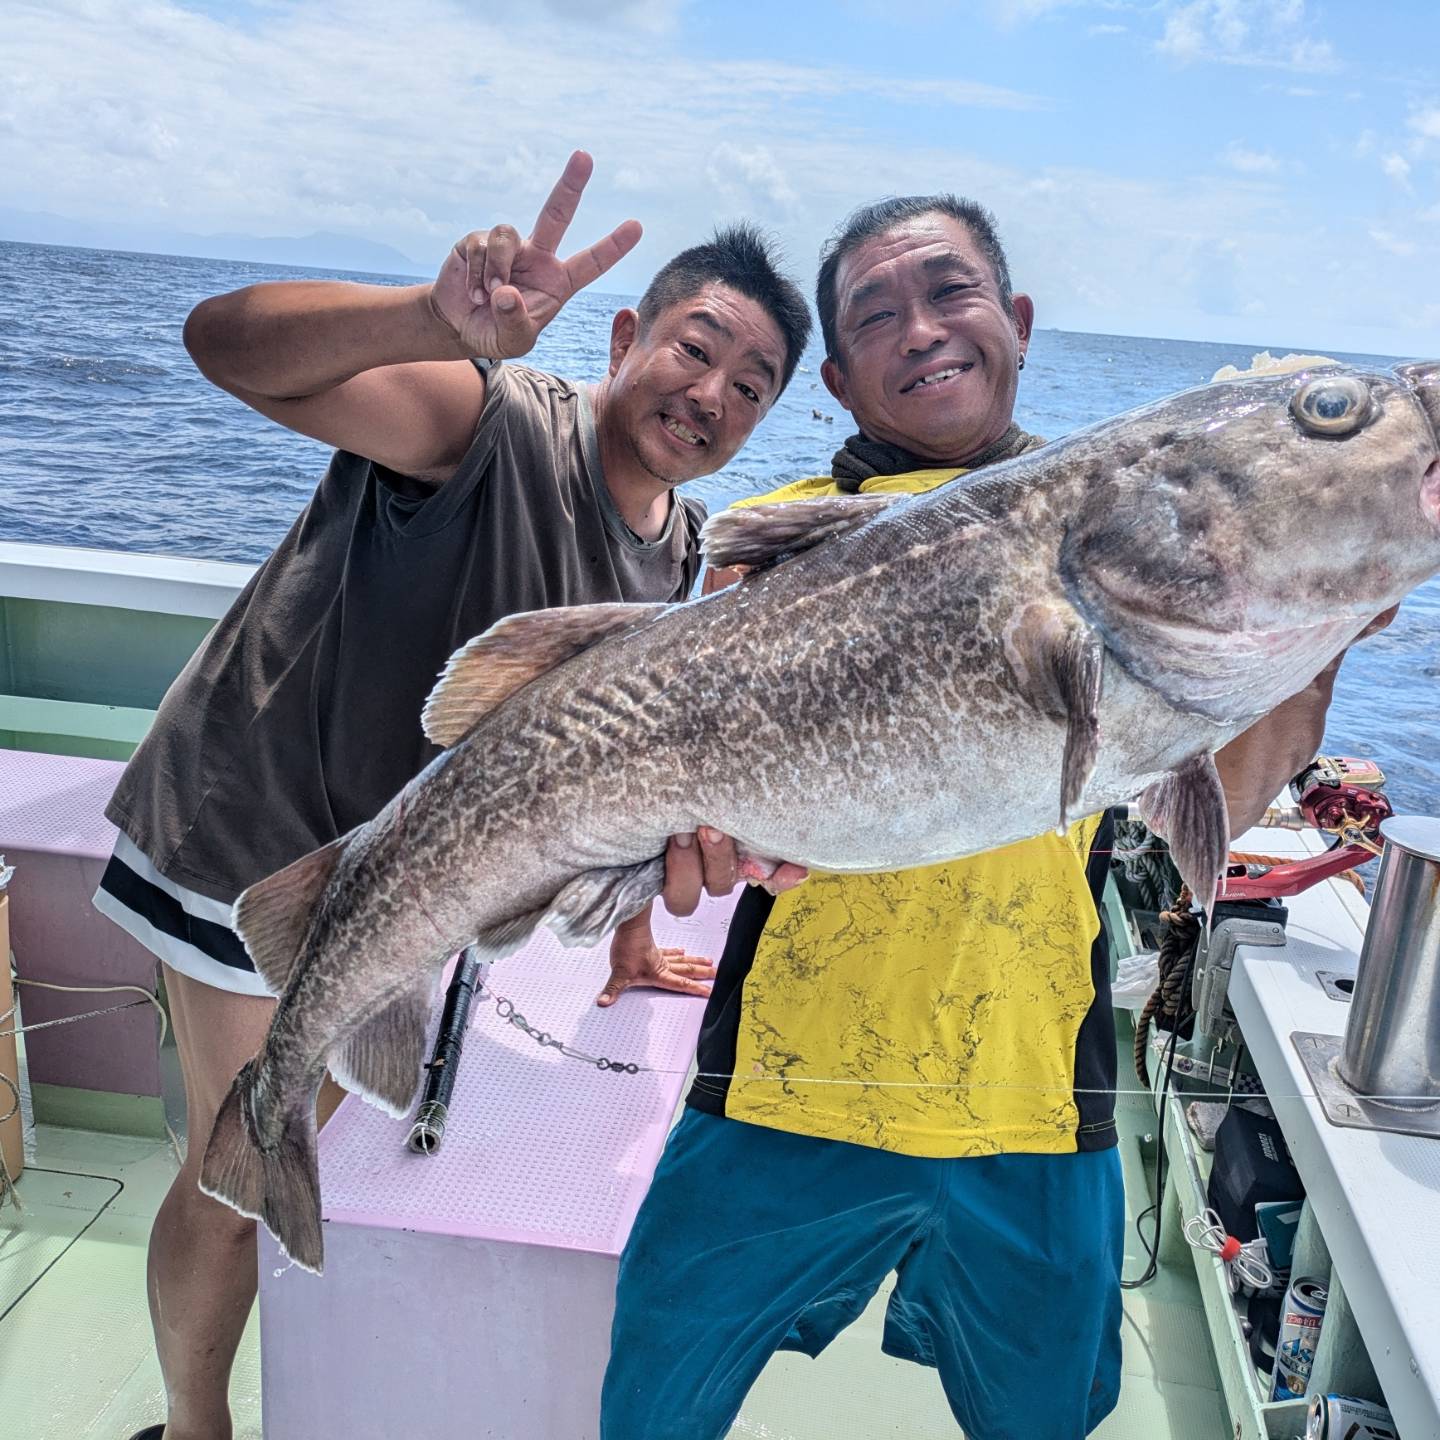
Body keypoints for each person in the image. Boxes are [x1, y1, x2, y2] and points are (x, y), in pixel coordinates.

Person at [599, 194, 1392, 1440]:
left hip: (1034, 1094)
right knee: (652, 1405)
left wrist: (1312, 642)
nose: (922, 330)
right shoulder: (785, 539)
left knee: (1039, 1420)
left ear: (1016, 322)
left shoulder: (1141, 523)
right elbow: (712, 790)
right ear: (844, 385)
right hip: (783, 1082)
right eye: (876, 316)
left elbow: (1215, 804)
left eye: (951, 292)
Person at [93, 151, 811, 1440]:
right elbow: (228, 347)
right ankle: (193, 1429)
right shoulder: (495, 427)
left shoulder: (685, 552)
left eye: (749, 387)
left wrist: (636, 938)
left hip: (399, 890)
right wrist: (430, 324)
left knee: (298, 1135)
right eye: (696, 351)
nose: (711, 395)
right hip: (253, 837)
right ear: (628, 332)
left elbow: (621, 767)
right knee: (238, 1166)